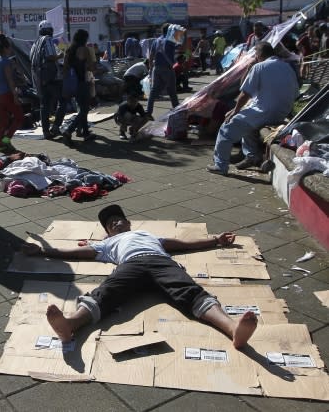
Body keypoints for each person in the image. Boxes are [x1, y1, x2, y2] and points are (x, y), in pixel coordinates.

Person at [21, 204, 258, 349]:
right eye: (110, 224)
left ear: (129, 223)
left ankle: (231, 327)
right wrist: (44, 250)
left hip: (161, 262)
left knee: (190, 291)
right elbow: (78, 252)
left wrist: (215, 240)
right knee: (106, 291)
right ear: (107, 232)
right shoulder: (107, 243)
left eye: (119, 219)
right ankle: (70, 324)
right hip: (130, 265)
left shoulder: (147, 234)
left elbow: (182, 244)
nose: (115, 223)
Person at [207, 42, 299, 175]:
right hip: (282, 111)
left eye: (256, 55)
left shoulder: (260, 66)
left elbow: (245, 93)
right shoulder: (287, 66)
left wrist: (235, 110)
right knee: (247, 125)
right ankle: (252, 156)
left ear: (258, 55)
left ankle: (220, 165)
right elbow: (295, 93)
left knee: (226, 128)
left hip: (265, 111)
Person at [30, 20, 66, 139]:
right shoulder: (48, 39)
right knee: (63, 101)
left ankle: (46, 131)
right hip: (50, 78)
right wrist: (61, 55)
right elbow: (50, 56)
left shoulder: (35, 43)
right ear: (50, 31)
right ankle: (55, 127)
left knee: (44, 105)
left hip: (39, 79)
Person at [62, 29, 96, 146]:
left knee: (82, 108)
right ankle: (68, 131)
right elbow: (91, 67)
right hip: (82, 82)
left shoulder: (69, 50)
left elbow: (65, 69)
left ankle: (86, 133)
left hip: (72, 84)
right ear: (84, 39)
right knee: (84, 109)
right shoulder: (85, 50)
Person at [0, 34, 25, 154]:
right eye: (9, 47)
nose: (10, 49)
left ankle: (1, 143)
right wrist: (15, 96)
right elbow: (9, 80)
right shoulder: (5, 61)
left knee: (3, 120)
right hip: (7, 93)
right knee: (19, 117)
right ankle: (6, 140)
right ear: (6, 48)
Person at [146, 23, 179, 118]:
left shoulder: (157, 40)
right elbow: (182, 47)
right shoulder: (170, 40)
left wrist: (151, 68)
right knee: (172, 91)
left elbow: (151, 55)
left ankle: (148, 111)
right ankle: (177, 110)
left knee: (153, 91)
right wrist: (182, 33)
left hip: (157, 68)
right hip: (167, 68)